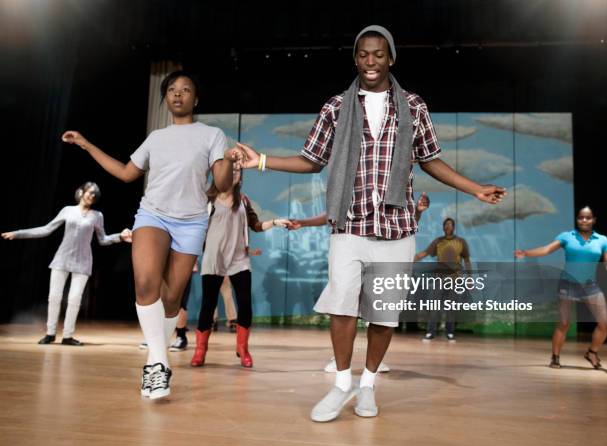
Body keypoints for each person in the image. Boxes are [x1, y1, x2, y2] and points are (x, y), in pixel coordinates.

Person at [237, 25, 505, 422]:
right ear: (355, 59)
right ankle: (342, 384)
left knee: (382, 315)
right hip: (349, 224)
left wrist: (475, 188)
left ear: (391, 58)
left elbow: (430, 159)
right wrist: (260, 160)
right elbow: (311, 159)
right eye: (363, 54)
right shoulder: (335, 107)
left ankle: (368, 386)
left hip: (396, 229)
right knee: (342, 305)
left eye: (379, 54)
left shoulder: (412, 106)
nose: (371, 61)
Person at [61, 70, 243, 399]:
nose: (178, 94)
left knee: (172, 299)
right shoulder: (156, 138)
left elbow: (223, 184)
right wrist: (87, 145)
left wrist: (228, 160)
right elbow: (126, 173)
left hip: (191, 222)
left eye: (186, 90)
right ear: (166, 98)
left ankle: (155, 360)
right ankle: (157, 365)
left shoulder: (212, 135)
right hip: (153, 214)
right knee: (146, 283)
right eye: (172, 90)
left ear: (195, 99)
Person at [289, 192, 431, 372]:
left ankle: (373, 363)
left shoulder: (394, 191)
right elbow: (333, 214)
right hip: (354, 251)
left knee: (378, 311)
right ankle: (339, 359)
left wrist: (418, 212)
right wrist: (304, 222)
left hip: (382, 255)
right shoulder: (357, 188)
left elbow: (407, 224)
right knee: (347, 308)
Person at [2, 182, 131, 345]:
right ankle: (50, 333)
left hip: (83, 261)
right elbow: (46, 229)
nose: (91, 196)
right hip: (62, 258)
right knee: (54, 297)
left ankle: (68, 336)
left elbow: (103, 239)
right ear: (81, 192)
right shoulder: (68, 210)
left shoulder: (97, 216)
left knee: (75, 299)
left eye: (94, 194)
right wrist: (18, 234)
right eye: (89, 192)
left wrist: (120, 236)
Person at [191, 164, 290, 368]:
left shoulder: (243, 201)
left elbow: (256, 225)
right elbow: (195, 231)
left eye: (237, 171)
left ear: (240, 178)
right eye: (230, 170)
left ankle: (243, 348)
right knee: (208, 305)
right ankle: (200, 350)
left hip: (239, 260)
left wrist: (275, 222)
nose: (234, 173)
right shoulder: (207, 200)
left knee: (245, 303)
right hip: (213, 259)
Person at [515, 206, 607, 369]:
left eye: (588, 217)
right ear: (577, 219)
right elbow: (546, 249)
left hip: (590, 286)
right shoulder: (567, 237)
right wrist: (526, 253)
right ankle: (555, 357)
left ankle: (592, 352)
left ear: (594, 220)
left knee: (605, 323)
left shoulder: (602, 240)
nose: (584, 220)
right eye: (581, 217)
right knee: (564, 323)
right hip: (568, 285)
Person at [414, 217, 471, 342]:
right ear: (443, 227)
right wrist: (411, 259)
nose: (447, 227)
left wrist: (469, 278)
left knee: (451, 307)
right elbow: (424, 253)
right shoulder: (438, 241)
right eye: (445, 225)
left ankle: (450, 332)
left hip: (454, 280)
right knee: (434, 307)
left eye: (450, 225)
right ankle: (430, 332)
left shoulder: (461, 242)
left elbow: (466, 260)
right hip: (439, 279)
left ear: (453, 227)